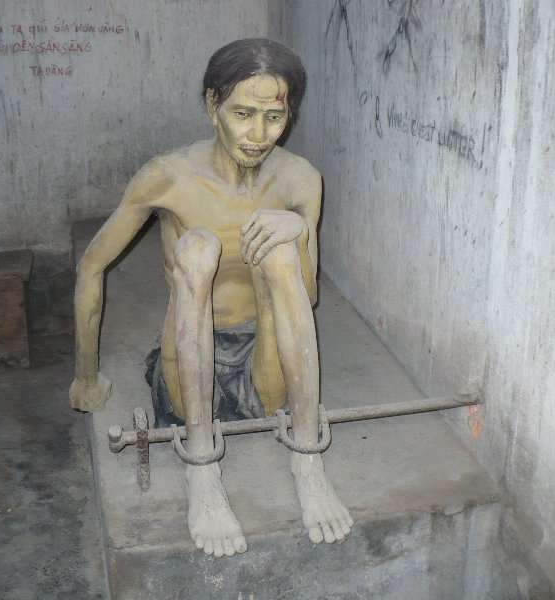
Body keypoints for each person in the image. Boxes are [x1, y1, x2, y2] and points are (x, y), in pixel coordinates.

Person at [69, 38, 352, 558]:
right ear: (211, 104)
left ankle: (307, 461)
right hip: (187, 351)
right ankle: (201, 467)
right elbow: (92, 265)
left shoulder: (300, 179)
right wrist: (86, 376)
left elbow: (305, 295)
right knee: (198, 247)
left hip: (265, 356)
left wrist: (298, 232)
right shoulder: (168, 175)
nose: (259, 135)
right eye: (243, 114)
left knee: (282, 248)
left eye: (274, 117)